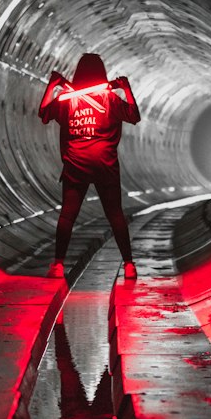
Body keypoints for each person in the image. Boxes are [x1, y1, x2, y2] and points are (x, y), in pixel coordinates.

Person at [39, 53, 140, 279]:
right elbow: (134, 115)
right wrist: (126, 89)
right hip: (105, 163)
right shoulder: (110, 98)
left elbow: (44, 113)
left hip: (76, 162)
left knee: (67, 215)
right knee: (115, 214)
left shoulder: (68, 98)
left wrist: (52, 86)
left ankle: (57, 265)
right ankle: (129, 265)